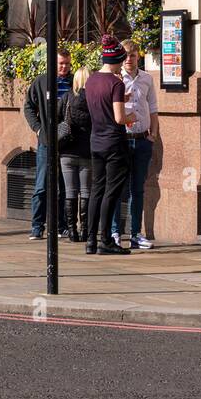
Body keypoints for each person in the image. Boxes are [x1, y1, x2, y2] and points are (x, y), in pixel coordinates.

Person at [84, 36, 133, 256]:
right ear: (116, 60)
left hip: (96, 142)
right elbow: (119, 117)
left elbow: (100, 105)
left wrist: (122, 97)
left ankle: (90, 240)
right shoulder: (116, 83)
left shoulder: (91, 80)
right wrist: (133, 115)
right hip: (114, 143)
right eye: (121, 60)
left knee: (96, 190)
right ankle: (106, 240)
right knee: (111, 193)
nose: (123, 64)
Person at [112, 40, 159, 250]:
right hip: (122, 139)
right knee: (117, 188)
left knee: (137, 189)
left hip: (141, 139)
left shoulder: (146, 79)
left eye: (132, 55)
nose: (129, 60)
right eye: (125, 56)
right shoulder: (115, 80)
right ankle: (114, 232)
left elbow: (153, 108)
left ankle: (134, 233)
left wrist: (154, 134)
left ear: (138, 56)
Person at [23, 48, 71, 239]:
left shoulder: (74, 81)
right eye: (60, 63)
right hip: (46, 141)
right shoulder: (42, 82)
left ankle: (61, 225)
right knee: (41, 185)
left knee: (64, 186)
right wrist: (38, 128)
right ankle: (37, 226)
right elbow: (28, 107)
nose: (64, 67)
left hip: (68, 142)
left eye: (67, 63)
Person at [57, 65, 93, 241]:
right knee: (86, 191)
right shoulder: (94, 100)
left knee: (70, 192)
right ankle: (85, 230)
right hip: (87, 152)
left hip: (67, 152)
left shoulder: (66, 98)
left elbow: (55, 118)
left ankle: (72, 231)